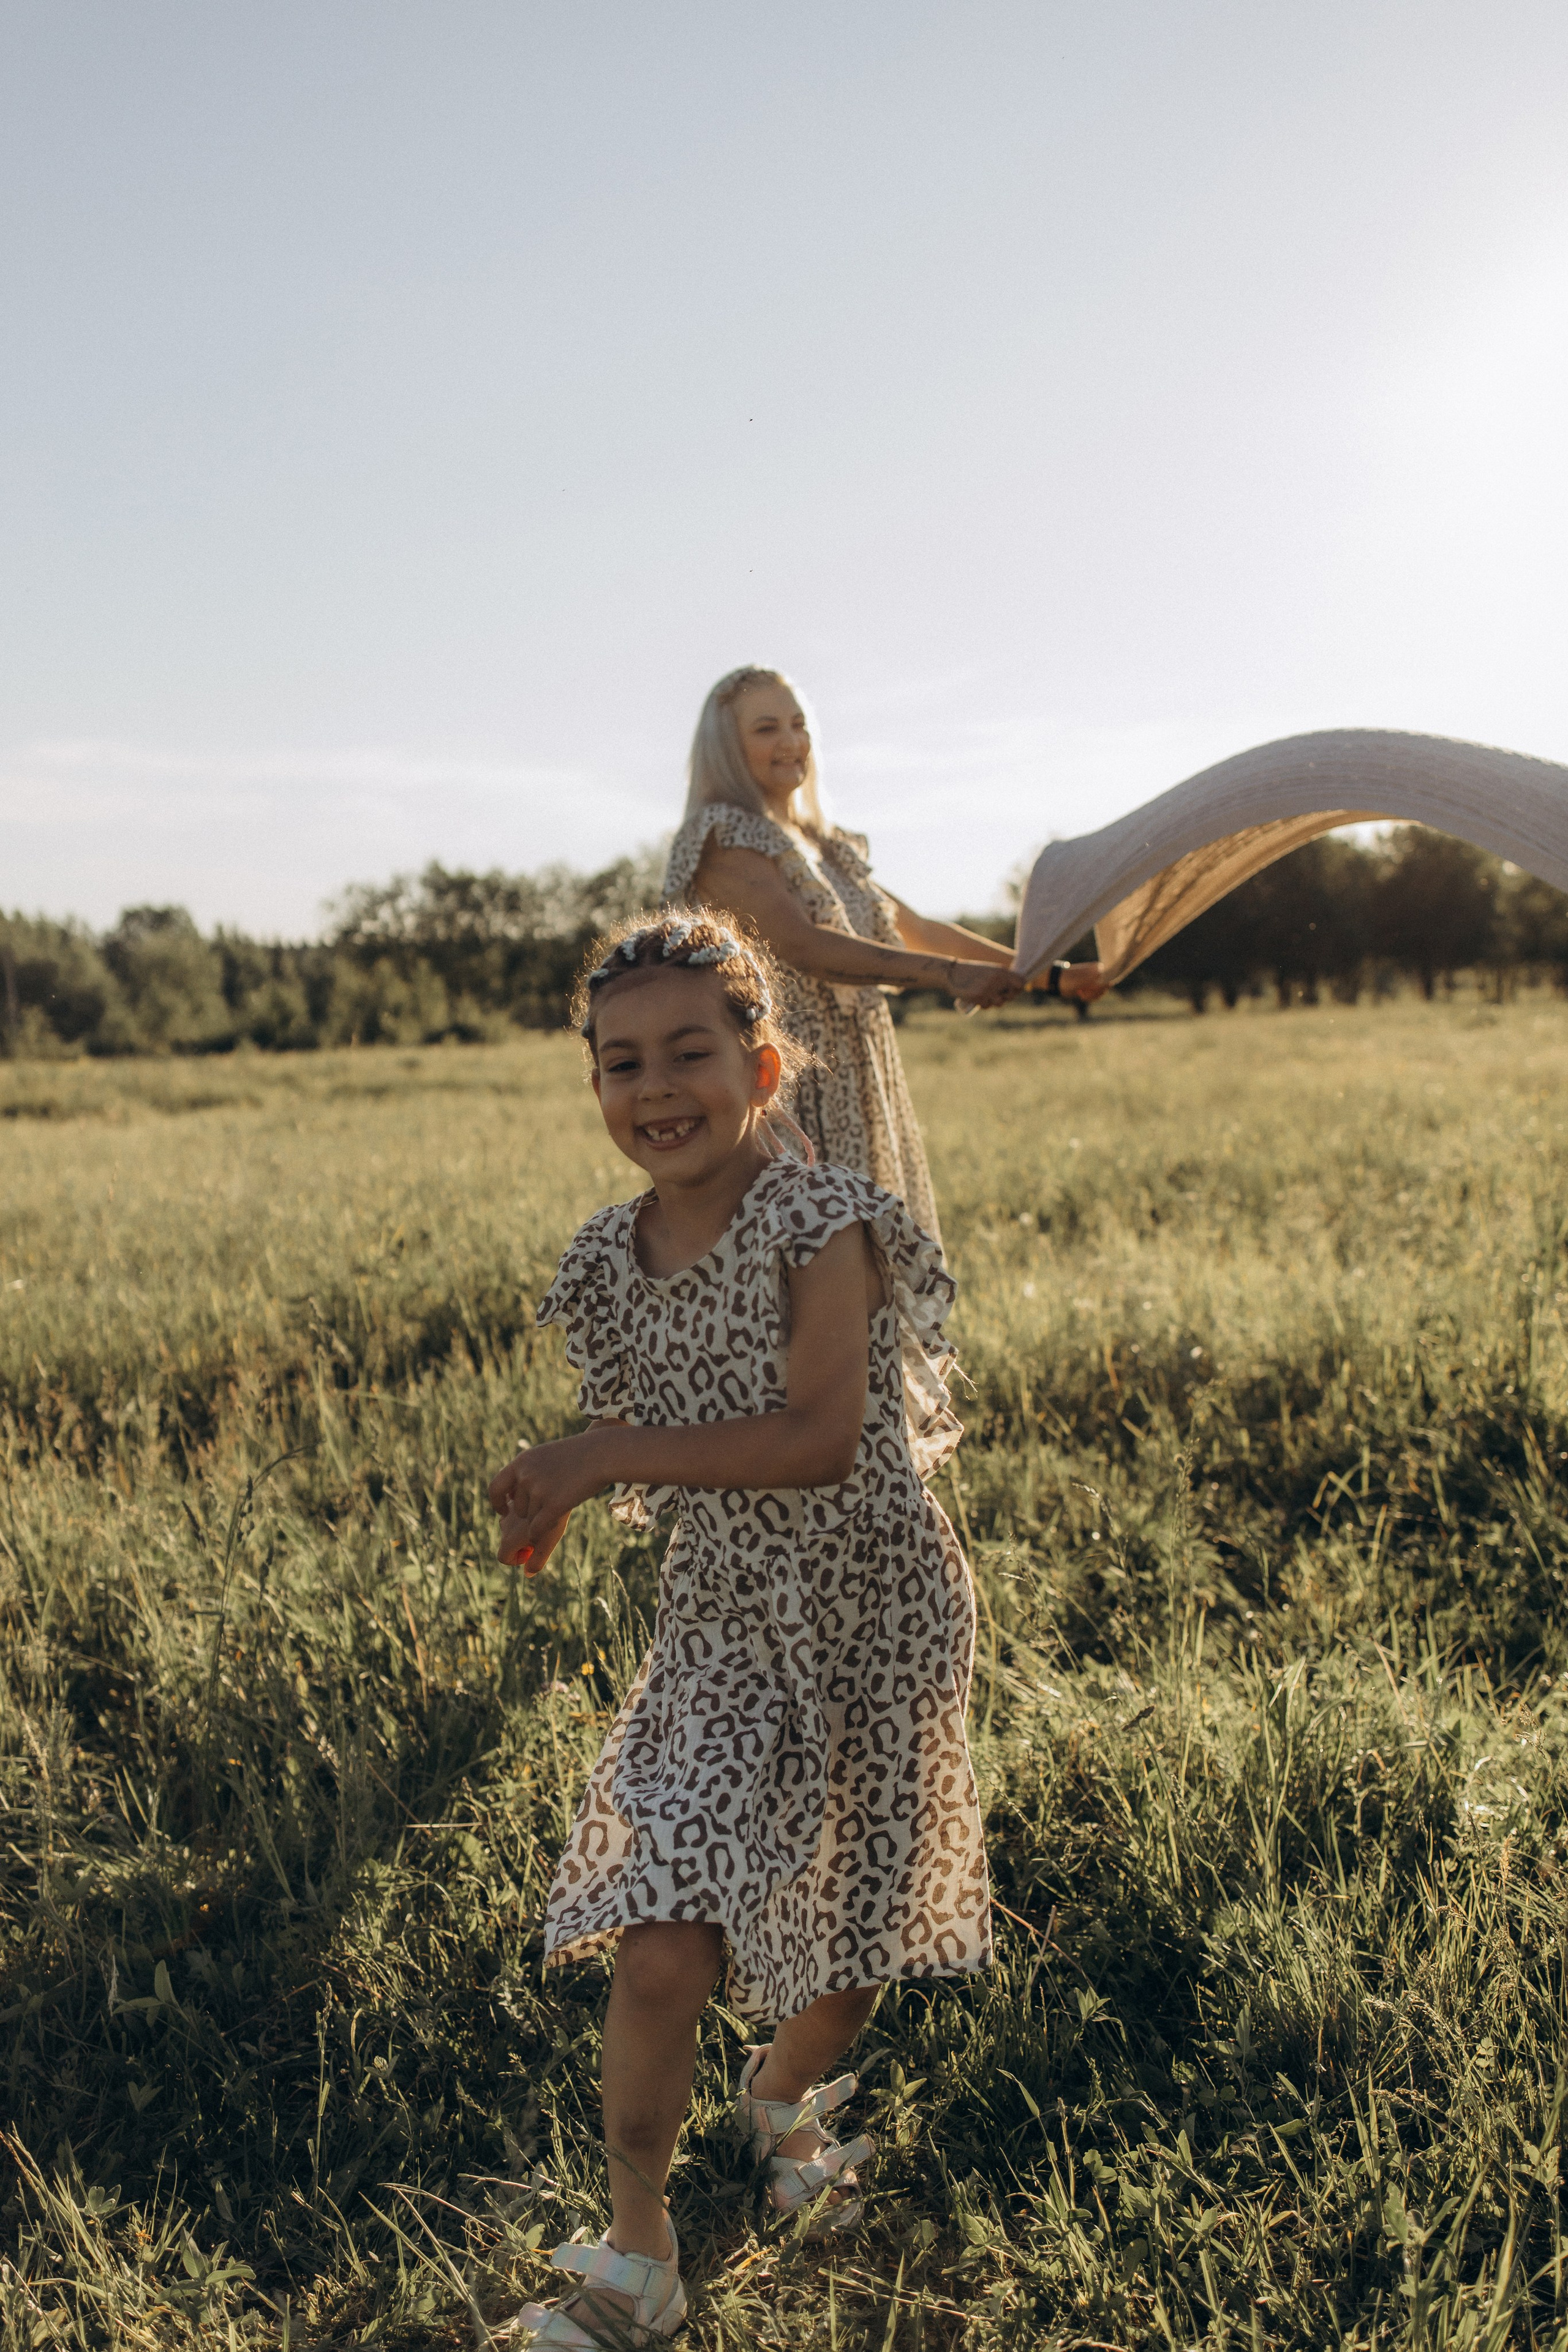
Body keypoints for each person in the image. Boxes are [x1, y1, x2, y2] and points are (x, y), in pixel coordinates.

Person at [487, 910, 990, 2346]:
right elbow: (656, 1422)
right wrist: (568, 1479)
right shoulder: (612, 1248)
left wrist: (604, 1452)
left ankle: (780, 2097)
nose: (654, 1088)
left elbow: (817, 1438)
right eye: (618, 1060)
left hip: (871, 1612)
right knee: (660, 1945)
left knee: (851, 1939)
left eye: (688, 1052)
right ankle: (637, 2253)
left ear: (762, 1062)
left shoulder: (817, 1223)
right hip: (718, 1628)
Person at [662, 665, 1104, 1245]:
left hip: (862, 1075)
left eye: (799, 724)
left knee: (869, 1270)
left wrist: (1050, 976)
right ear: (727, 748)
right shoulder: (722, 835)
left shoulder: (826, 845)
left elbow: (916, 928)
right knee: (806, 1272)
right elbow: (807, 947)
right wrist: (949, 977)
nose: (792, 742)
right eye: (767, 728)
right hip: (788, 1084)